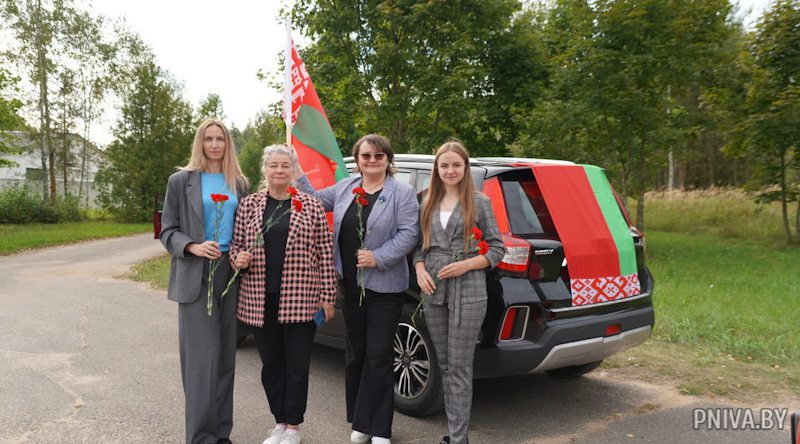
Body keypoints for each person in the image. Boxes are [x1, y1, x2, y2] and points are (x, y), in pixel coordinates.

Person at [294, 134, 419, 444]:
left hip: (385, 288)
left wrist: (378, 257)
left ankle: (381, 429)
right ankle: (362, 422)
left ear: (388, 160)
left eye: (378, 156)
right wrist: (295, 168)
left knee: (378, 355)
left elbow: (409, 234)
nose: (372, 161)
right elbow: (312, 199)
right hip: (350, 286)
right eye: (366, 156)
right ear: (358, 160)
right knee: (356, 354)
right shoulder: (347, 187)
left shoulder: (402, 193)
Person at [230, 145, 337, 444]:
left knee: (297, 366)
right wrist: (238, 258)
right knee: (272, 366)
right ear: (264, 169)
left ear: (293, 170)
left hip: (301, 299)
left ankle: (293, 428)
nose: (279, 170)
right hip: (260, 299)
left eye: (285, 165)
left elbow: (325, 253)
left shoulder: (310, 205)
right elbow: (236, 245)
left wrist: (328, 295)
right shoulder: (249, 205)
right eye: (273, 165)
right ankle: (279, 423)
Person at [160, 118, 249, 444]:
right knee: (202, 360)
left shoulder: (239, 183)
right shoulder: (180, 181)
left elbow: (246, 228)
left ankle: (221, 434)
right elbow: (167, 231)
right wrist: (192, 246)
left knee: (225, 358)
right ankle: (200, 437)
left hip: (230, 274)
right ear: (200, 142)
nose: (214, 144)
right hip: (195, 273)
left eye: (220, 139)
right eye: (208, 139)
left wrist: (242, 254)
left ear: (227, 144)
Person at [413, 141, 505, 444]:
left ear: (465, 167)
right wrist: (420, 271)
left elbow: (497, 249)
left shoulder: (479, 203)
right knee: (445, 365)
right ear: (436, 169)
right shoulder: (426, 201)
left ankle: (458, 438)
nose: (450, 170)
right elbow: (418, 248)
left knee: (460, 367)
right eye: (444, 165)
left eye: (456, 165)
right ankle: (455, 434)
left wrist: (466, 265)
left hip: (469, 291)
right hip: (433, 291)